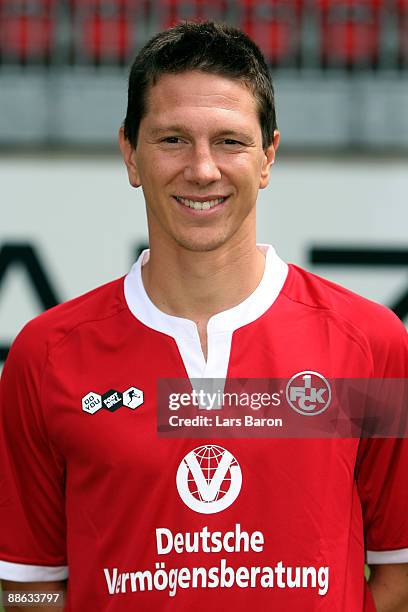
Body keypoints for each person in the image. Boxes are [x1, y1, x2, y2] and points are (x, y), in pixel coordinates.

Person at [0, 20, 407, 612]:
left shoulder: (370, 344)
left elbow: (399, 576)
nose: (202, 169)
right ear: (129, 153)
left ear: (267, 156)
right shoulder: (46, 355)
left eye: (230, 141)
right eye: (171, 139)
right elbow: (26, 587)